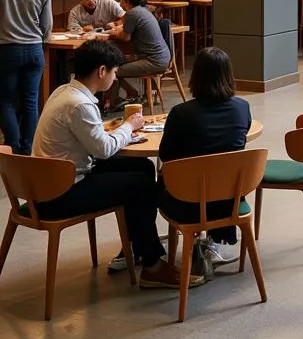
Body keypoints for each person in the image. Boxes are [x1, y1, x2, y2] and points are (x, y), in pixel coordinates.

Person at [32, 40, 195, 289]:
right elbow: (104, 150)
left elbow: (93, 145)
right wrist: (129, 127)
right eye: (115, 71)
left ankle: (136, 245)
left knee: (142, 167)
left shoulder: (64, 92)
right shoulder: (80, 104)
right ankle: (152, 265)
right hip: (60, 194)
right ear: (101, 71)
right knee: (140, 184)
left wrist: (119, 131)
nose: (116, 77)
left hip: (49, 182)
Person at [157, 47, 252, 266]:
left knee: (149, 183)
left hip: (188, 202)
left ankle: (144, 249)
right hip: (229, 198)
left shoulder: (181, 113)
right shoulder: (242, 108)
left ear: (196, 76)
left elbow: (166, 156)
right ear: (229, 75)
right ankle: (211, 243)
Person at [0, 0, 52, 154]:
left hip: (6, 49)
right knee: (31, 100)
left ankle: (12, 145)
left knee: (6, 100)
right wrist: (42, 39)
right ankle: (27, 147)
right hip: (34, 49)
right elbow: (46, 24)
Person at [106, 0, 171, 99]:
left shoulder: (131, 13)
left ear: (125, 0)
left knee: (112, 71)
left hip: (152, 60)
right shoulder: (143, 10)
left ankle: (117, 99)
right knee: (115, 61)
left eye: (120, 0)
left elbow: (125, 38)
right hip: (161, 57)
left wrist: (113, 32)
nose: (119, 3)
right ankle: (125, 94)